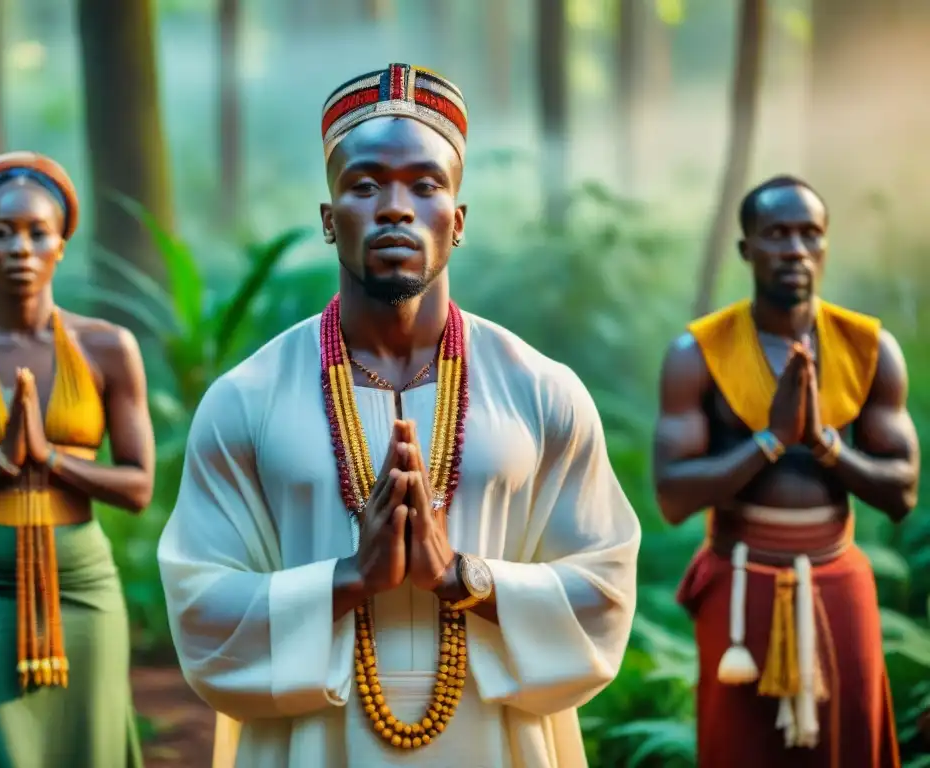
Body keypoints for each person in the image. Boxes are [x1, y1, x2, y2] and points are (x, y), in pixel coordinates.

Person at [158, 63, 641, 768]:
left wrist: (462, 577)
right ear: (329, 221)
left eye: (425, 184)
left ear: (459, 219)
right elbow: (201, 606)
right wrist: (351, 578)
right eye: (364, 185)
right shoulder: (246, 398)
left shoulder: (542, 391)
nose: (394, 206)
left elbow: (605, 588)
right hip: (310, 744)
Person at [652, 174, 918, 767]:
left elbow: (902, 492)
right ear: (747, 248)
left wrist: (825, 445)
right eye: (776, 234)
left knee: (847, 743)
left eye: (809, 234)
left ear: (824, 246)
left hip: (837, 578)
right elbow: (673, 496)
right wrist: (769, 440)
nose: (795, 249)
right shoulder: (699, 353)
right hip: (740, 578)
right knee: (742, 748)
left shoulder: (868, 348)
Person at [0, 151, 156, 767]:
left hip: (82, 585)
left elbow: (138, 486)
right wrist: (1, 463)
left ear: (61, 245)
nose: (21, 248)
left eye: (37, 232)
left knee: (86, 750)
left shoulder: (108, 349)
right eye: (3, 233)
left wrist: (52, 459)